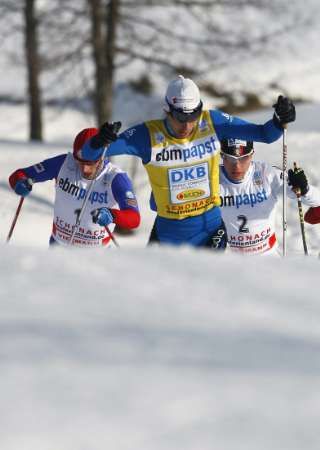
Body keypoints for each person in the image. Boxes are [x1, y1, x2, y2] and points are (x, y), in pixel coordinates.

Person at [80, 74, 296, 248]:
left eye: (193, 116)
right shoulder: (147, 135)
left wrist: (279, 120)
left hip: (211, 229)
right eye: (181, 117)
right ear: (167, 110)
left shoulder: (212, 122)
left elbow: (265, 134)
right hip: (169, 232)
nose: (187, 125)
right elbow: (89, 154)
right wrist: (99, 141)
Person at [8, 127, 140, 247]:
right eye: (80, 162)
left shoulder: (116, 178)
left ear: (102, 157)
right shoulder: (64, 164)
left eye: (91, 163)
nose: (85, 169)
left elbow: (134, 219)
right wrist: (21, 182)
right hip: (59, 246)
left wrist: (112, 215)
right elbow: (19, 175)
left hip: (98, 254)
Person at [219, 138, 320, 255]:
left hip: (267, 256)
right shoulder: (212, 180)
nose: (237, 166)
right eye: (231, 159)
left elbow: (317, 200)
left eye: (243, 158)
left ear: (252, 155)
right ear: (222, 156)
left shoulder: (267, 174)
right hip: (229, 260)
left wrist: (305, 189)